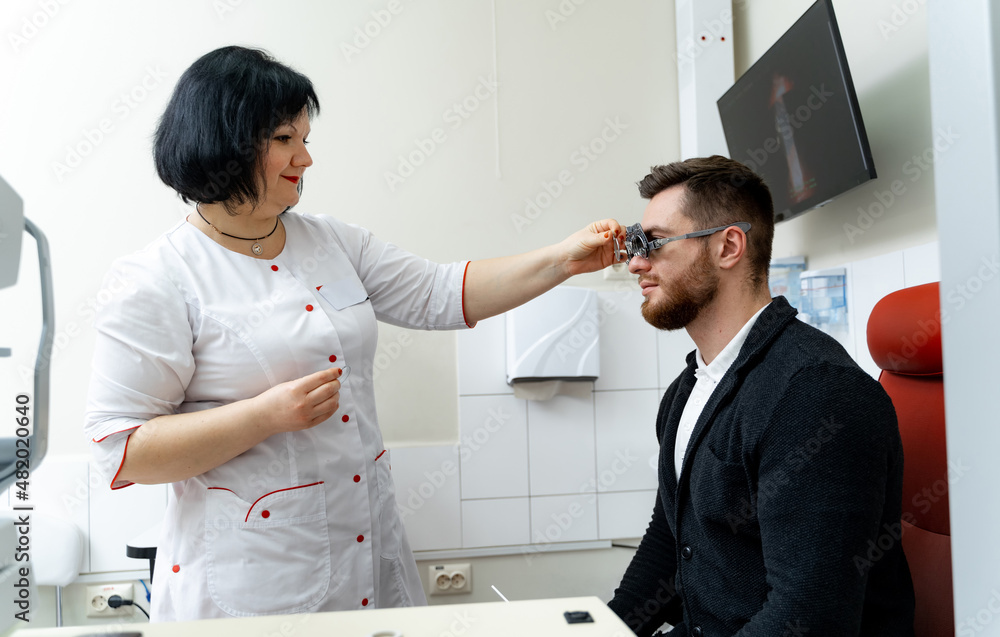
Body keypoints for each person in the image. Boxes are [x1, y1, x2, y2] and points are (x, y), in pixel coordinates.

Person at [83, 46, 623, 622]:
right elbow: (120, 452)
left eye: (306, 139)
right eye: (286, 139)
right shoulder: (157, 278)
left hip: (369, 553)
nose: (306, 158)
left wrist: (564, 259)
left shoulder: (331, 242)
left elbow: (441, 293)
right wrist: (262, 416)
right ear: (228, 141)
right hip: (252, 585)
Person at [606, 156, 915, 636]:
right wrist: (603, 630)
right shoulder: (688, 391)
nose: (636, 263)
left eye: (655, 243)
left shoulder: (815, 394)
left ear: (729, 246)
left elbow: (810, 617)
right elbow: (669, 542)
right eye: (635, 243)